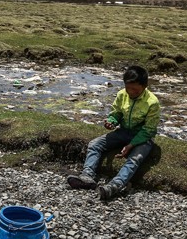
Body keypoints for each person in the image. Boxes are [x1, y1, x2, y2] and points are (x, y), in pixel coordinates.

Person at [67, 65, 160, 200]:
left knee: (134, 159)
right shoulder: (122, 94)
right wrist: (111, 121)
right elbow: (117, 113)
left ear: (144, 86)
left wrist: (131, 145)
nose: (130, 92)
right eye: (128, 88)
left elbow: (149, 129)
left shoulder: (152, 102)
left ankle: (115, 185)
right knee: (94, 144)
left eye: (135, 89)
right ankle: (87, 176)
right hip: (123, 131)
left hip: (143, 137)